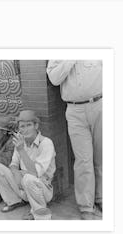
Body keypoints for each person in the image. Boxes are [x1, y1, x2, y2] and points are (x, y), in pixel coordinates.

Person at [46, 60, 102, 220]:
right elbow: (54, 79)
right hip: (74, 110)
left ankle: (101, 198)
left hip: (101, 104)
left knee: (102, 156)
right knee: (83, 160)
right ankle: (86, 206)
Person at [0, 110, 56, 220]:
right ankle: (14, 201)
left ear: (36, 125)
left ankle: (38, 212)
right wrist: (17, 175)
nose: (25, 129)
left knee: (29, 178)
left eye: (29, 125)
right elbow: (13, 164)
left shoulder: (46, 143)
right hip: (22, 184)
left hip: (42, 189)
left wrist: (21, 150)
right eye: (22, 126)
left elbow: (35, 173)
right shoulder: (21, 141)